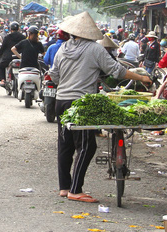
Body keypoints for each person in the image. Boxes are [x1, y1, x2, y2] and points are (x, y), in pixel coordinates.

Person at [49, 12, 152, 203]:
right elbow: (117, 70)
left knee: (66, 145)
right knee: (87, 146)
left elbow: (54, 75)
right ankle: (75, 190)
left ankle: (64, 187)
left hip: (61, 101)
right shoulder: (94, 49)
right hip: (81, 103)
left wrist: (69, 81)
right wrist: (141, 77)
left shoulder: (63, 48)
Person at [0, 21, 25, 85]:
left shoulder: (7, 37)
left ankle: (3, 80)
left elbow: (3, 48)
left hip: (7, 58)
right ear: (18, 29)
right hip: (20, 57)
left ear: (10, 29)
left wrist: (0, 55)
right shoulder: (23, 37)